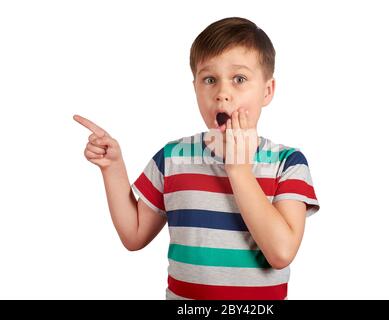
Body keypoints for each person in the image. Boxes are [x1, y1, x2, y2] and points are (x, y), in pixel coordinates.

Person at [74, 17, 320, 300]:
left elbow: (281, 252)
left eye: (239, 79)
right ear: (195, 89)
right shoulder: (172, 158)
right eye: (209, 80)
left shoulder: (288, 163)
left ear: (267, 91)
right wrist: (113, 167)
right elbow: (134, 235)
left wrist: (238, 169)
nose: (222, 94)